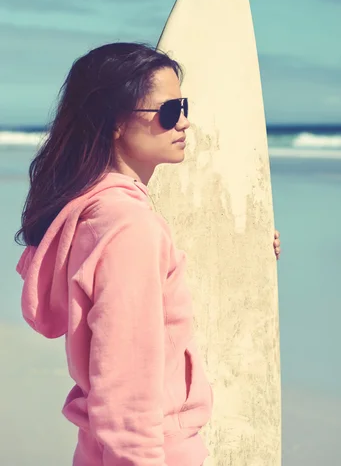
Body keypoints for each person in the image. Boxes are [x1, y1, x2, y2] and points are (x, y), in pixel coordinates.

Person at [15, 42, 281, 466]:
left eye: (184, 106)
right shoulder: (130, 229)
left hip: (97, 450)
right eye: (169, 111)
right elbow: (125, 390)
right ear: (116, 123)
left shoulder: (94, 216)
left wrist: (243, 254)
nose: (185, 123)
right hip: (153, 450)